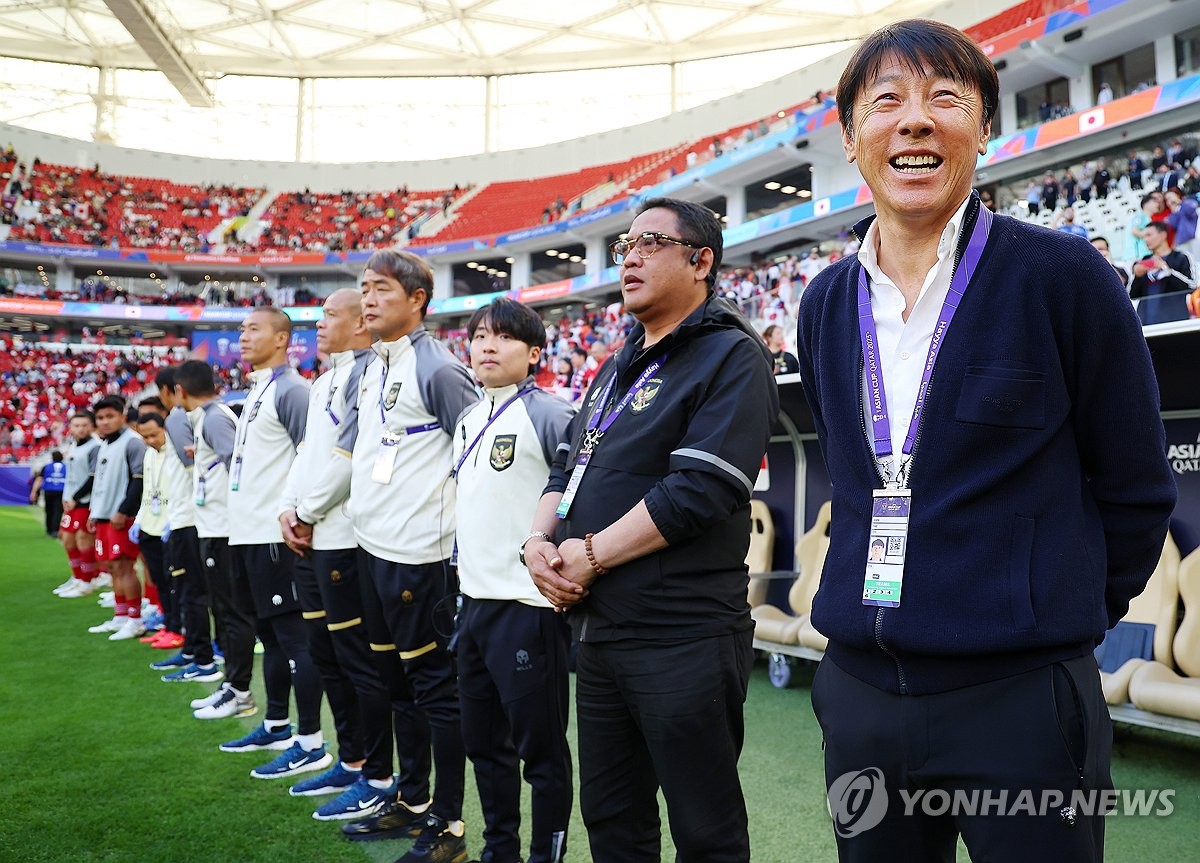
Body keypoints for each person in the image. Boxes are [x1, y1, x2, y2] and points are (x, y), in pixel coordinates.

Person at [795, 20, 1176, 862]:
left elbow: (1137, 487)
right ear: (852, 138)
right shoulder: (823, 302)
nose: (915, 120)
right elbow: (852, 471)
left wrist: (1047, 615)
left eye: (945, 98)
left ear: (983, 129)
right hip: (859, 692)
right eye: (885, 101)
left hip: (1021, 699)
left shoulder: (1063, 277)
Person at [526, 197, 778, 863]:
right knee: (612, 818)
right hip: (601, 630)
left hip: (683, 634)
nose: (630, 257)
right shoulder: (616, 364)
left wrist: (586, 555)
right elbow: (567, 462)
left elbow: (699, 489)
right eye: (625, 246)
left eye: (650, 242)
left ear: (701, 261)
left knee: (705, 827)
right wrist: (537, 542)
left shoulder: (731, 354)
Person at [332, 249, 479, 859]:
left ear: (418, 299)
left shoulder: (438, 369)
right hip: (373, 548)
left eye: (382, 289)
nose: (368, 299)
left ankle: (448, 822)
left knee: (434, 690)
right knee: (395, 684)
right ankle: (412, 798)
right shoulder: (370, 366)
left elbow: (476, 451)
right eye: (364, 288)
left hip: (421, 556)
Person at [453, 298, 576, 863]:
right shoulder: (468, 419)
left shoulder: (549, 414)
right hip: (473, 607)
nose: (487, 346)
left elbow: (579, 495)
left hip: (528, 609)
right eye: (479, 336)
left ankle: (543, 856)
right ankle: (497, 850)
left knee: (542, 753)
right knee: (484, 747)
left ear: (533, 354)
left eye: (502, 338)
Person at [278, 288, 396, 819]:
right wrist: (289, 506)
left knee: (358, 663)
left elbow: (350, 460)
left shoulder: (368, 375)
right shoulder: (324, 380)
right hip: (313, 536)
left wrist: (304, 510)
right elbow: (309, 455)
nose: (319, 324)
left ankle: (378, 773)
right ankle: (349, 760)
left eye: (329, 315)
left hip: (344, 539)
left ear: (360, 325)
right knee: (327, 656)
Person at [222, 306, 332, 781]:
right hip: (248, 534)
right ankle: (276, 723)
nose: (243, 336)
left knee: (294, 640)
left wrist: (300, 518)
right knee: (270, 638)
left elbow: (313, 459)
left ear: (284, 338)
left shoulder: (292, 390)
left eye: (254, 329)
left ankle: (310, 743)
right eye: (242, 329)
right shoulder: (260, 388)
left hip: (275, 536)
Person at [175, 360, 257, 719]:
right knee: (223, 611)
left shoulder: (213, 418)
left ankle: (240, 692)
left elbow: (238, 466)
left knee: (233, 613)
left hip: (224, 530)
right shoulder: (208, 418)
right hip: (215, 527)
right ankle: (232, 685)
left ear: (180, 391)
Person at [85, 395, 148, 642]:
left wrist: (124, 510)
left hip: (120, 516)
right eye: (100, 418)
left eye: (110, 416)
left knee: (124, 567)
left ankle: (135, 619)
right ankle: (120, 616)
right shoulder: (105, 444)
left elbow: (138, 479)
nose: (104, 422)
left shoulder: (133, 443)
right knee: (112, 567)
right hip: (103, 516)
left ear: (123, 416)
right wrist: (94, 512)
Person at [129, 413, 181, 650]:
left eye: (153, 435)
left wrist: (173, 519)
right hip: (149, 525)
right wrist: (139, 520)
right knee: (159, 581)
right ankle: (168, 627)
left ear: (164, 430)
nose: (150, 440)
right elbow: (148, 491)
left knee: (174, 582)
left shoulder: (177, 451)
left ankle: (178, 628)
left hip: (170, 526)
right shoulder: (150, 454)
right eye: (145, 436)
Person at [53, 412, 103, 598]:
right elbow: (72, 476)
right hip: (72, 501)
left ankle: (87, 580)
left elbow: (93, 477)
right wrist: (66, 497)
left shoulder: (95, 447)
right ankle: (77, 577)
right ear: (71, 428)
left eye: (84, 425)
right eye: (76, 425)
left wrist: (75, 496)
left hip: (85, 501)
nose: (80, 429)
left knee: (84, 539)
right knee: (67, 539)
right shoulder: (73, 445)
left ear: (91, 426)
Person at [1130, 221, 1197, 325]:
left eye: (1149, 235)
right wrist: (1137, 277)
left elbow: (1192, 286)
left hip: (1175, 323)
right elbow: (1132, 295)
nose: (1145, 239)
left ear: (1163, 235)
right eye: (1144, 236)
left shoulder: (1182, 257)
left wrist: (1167, 271)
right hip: (1146, 324)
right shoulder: (1142, 261)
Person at [31, 450, 67, 536]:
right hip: (61, 491)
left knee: (49, 510)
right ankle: (55, 530)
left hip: (49, 491)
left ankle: (49, 529)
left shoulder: (46, 467)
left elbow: (39, 479)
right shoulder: (66, 467)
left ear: (52, 457)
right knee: (58, 511)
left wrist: (34, 492)